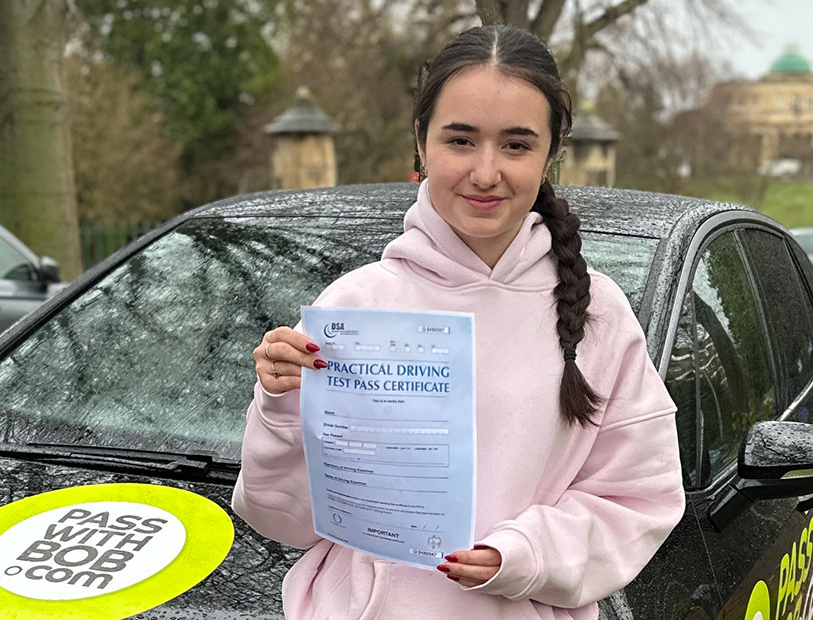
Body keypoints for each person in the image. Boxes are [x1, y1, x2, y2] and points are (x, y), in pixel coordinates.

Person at [231, 23, 686, 620]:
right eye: (461, 140)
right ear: (421, 142)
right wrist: (280, 405)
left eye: (516, 145)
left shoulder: (599, 314)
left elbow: (639, 498)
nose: (486, 172)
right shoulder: (352, 307)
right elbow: (281, 519)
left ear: (552, 153)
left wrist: (527, 556)